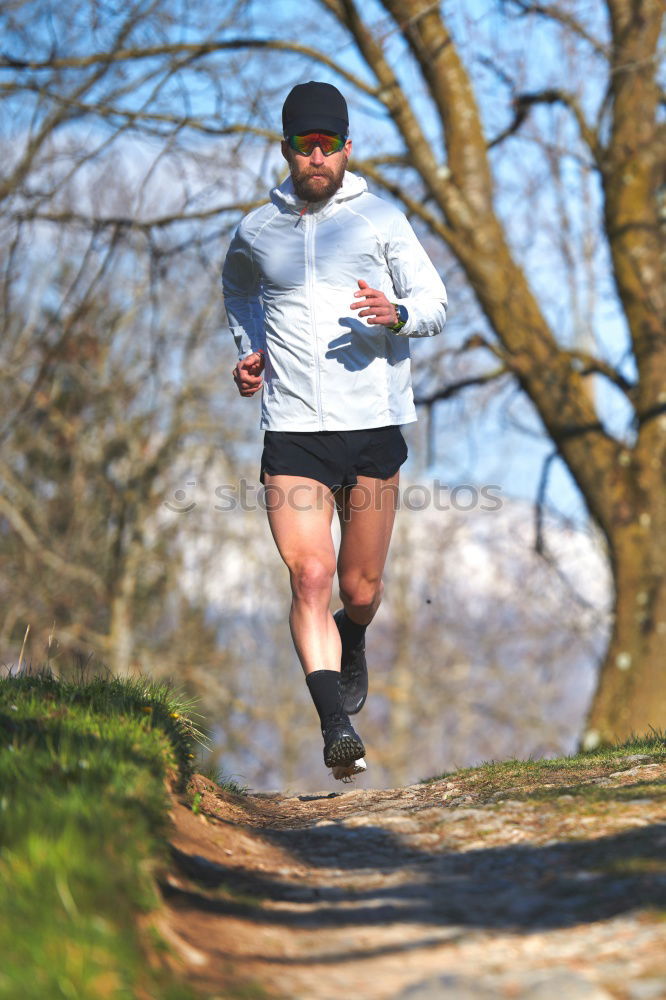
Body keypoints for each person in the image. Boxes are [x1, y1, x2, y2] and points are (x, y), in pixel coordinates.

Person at [222, 81, 447, 781]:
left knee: (359, 590)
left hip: (374, 423)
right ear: (286, 150)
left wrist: (399, 315)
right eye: (303, 145)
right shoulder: (256, 230)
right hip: (292, 431)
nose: (315, 157)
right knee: (311, 575)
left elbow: (435, 302)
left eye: (327, 145)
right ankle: (335, 727)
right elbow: (236, 287)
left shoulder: (380, 221)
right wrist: (247, 347)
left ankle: (353, 639)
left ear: (347, 149)